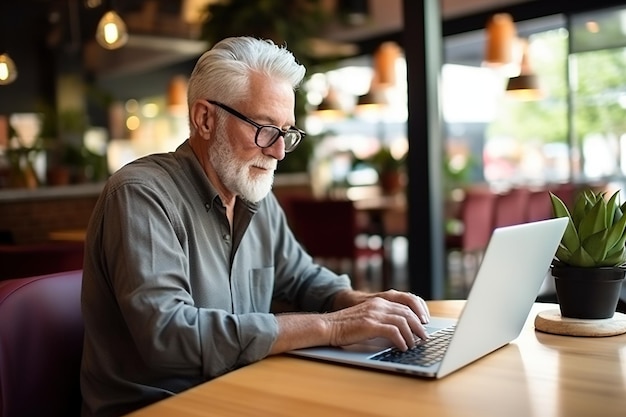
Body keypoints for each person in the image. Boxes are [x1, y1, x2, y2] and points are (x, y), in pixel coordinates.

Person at [80, 36, 430, 417]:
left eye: (286, 133)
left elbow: (302, 279)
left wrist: (360, 304)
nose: (279, 151)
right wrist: (333, 328)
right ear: (205, 119)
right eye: (264, 128)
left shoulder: (254, 196)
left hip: (240, 393)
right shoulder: (141, 194)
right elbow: (169, 336)